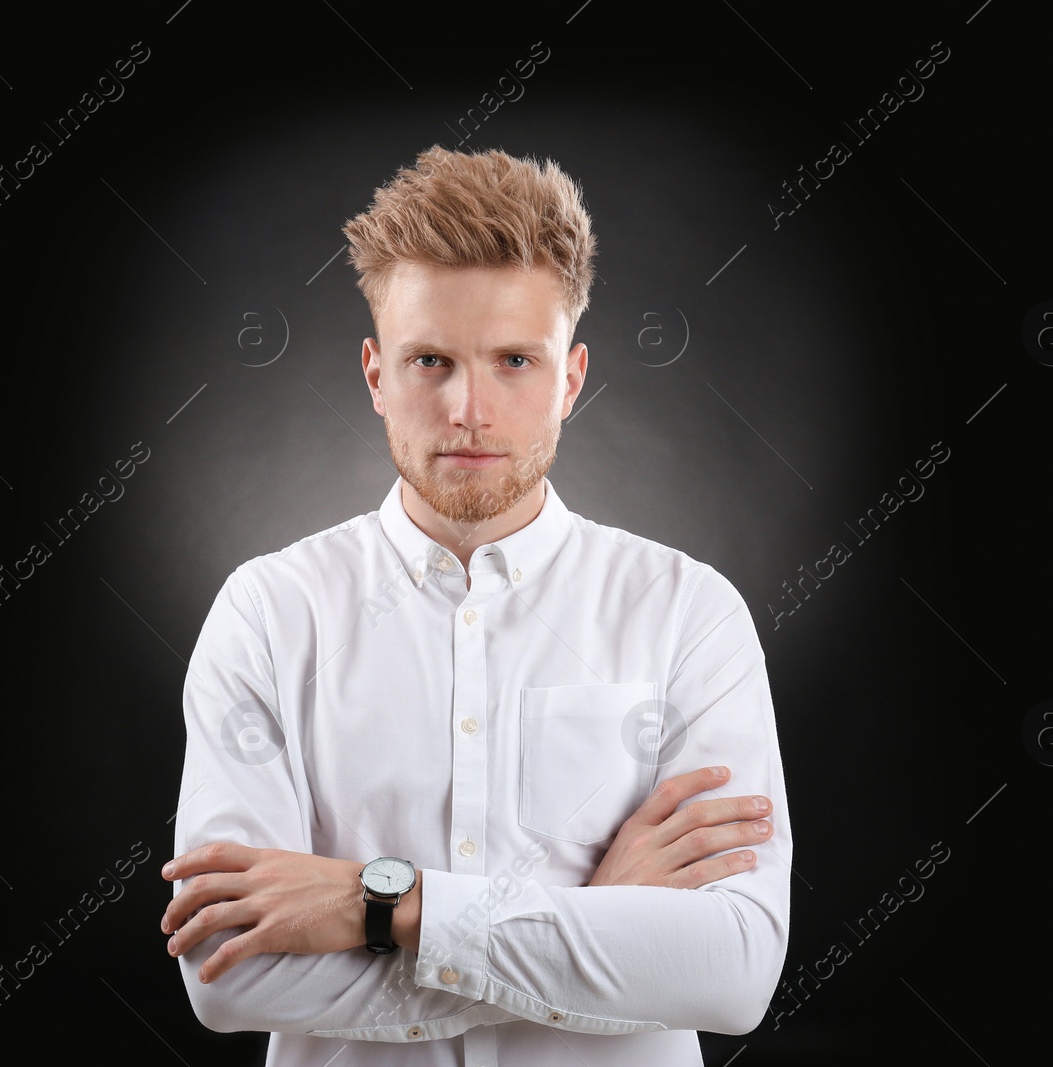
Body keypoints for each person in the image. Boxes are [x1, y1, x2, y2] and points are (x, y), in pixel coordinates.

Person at [159, 145, 792, 1066]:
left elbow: (732, 972)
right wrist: (602, 927)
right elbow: (228, 972)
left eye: (513, 361)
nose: (468, 408)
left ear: (571, 379)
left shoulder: (692, 614)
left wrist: (380, 904)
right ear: (376, 375)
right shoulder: (266, 613)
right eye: (430, 360)